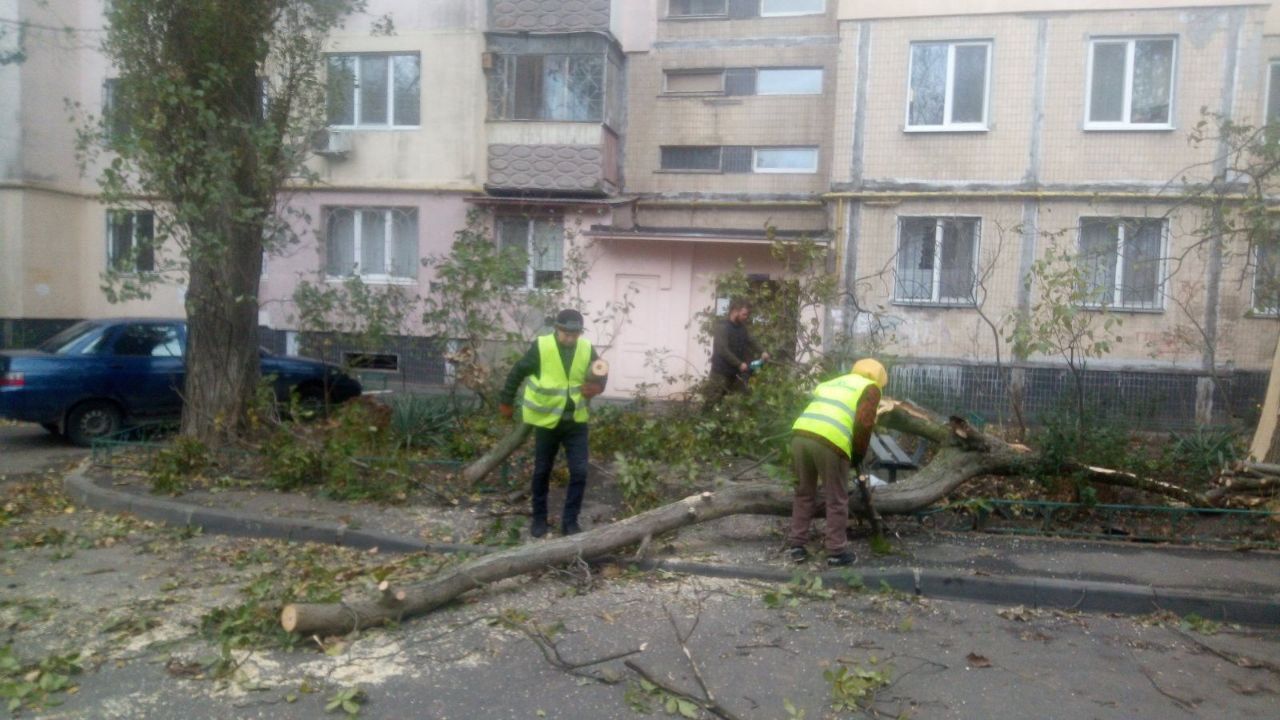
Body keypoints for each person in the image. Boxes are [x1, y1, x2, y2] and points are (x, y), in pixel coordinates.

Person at [499, 309, 605, 539]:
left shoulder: (586, 348)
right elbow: (518, 372)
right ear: (557, 329)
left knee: (579, 471)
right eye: (566, 333)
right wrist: (506, 401)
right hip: (547, 423)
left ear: (580, 333)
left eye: (574, 334)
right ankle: (539, 519)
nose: (569, 338)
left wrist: (598, 387)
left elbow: (600, 371)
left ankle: (570, 522)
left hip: (575, 422)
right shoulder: (542, 346)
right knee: (542, 471)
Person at [786, 358, 887, 566]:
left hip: (800, 434)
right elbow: (864, 425)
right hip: (831, 441)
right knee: (837, 497)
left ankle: (797, 545)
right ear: (878, 379)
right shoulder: (870, 389)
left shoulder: (835, 382)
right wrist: (857, 456)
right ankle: (836, 551)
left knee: (804, 492)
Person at [704, 298, 769, 409]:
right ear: (735, 311)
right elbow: (723, 350)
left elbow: (751, 340)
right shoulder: (722, 327)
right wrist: (739, 364)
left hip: (735, 373)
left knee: (730, 405)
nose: (746, 317)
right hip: (720, 373)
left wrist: (762, 351)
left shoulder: (741, 328)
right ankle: (702, 423)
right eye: (744, 314)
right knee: (712, 403)